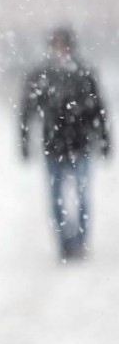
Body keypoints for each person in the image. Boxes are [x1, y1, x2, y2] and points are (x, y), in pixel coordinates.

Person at [20, 25, 111, 261]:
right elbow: (27, 110)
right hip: (53, 147)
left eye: (63, 45)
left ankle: (79, 242)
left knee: (81, 196)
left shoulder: (84, 73)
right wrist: (24, 140)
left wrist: (104, 140)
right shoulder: (43, 75)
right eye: (56, 45)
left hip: (80, 145)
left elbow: (98, 110)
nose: (60, 50)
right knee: (56, 198)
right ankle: (64, 243)